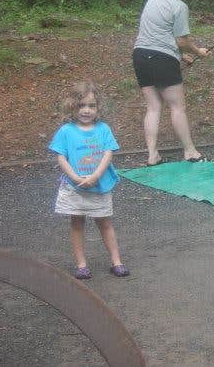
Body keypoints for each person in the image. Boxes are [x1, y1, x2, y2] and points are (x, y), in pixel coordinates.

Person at [50, 81, 129, 279]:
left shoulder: (103, 129)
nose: (86, 110)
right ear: (72, 107)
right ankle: (81, 264)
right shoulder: (66, 131)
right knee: (77, 223)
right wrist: (75, 177)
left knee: (105, 223)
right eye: (81, 106)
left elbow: (108, 154)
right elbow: (61, 157)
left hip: (99, 185)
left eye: (91, 106)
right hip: (74, 187)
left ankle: (116, 261)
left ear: (98, 107)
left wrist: (95, 176)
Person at [132, 0, 209, 165]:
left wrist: (181, 56)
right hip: (162, 59)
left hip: (140, 56)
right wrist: (198, 51)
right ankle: (190, 151)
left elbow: (161, 35)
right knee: (178, 107)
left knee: (153, 107)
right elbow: (181, 40)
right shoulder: (180, 6)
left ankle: (152, 155)